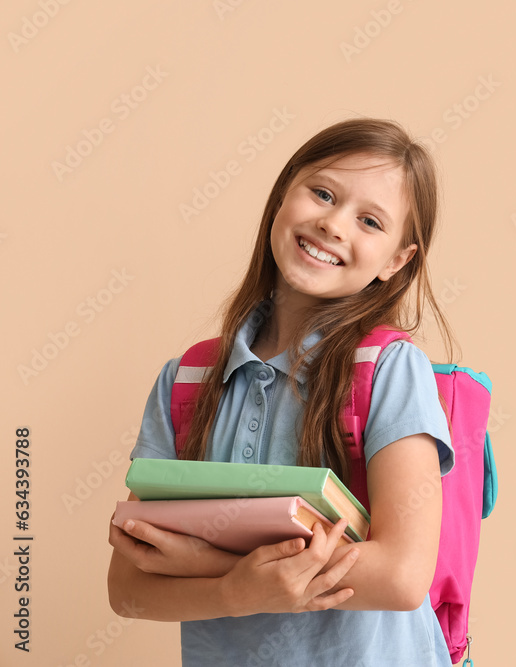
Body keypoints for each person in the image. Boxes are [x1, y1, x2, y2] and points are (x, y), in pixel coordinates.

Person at [107, 117, 458, 666]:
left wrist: (200, 560)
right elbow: (128, 588)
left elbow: (400, 577)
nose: (334, 224)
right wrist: (234, 592)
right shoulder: (186, 380)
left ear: (397, 261)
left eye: (369, 221)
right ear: (282, 196)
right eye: (322, 193)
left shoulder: (389, 369)